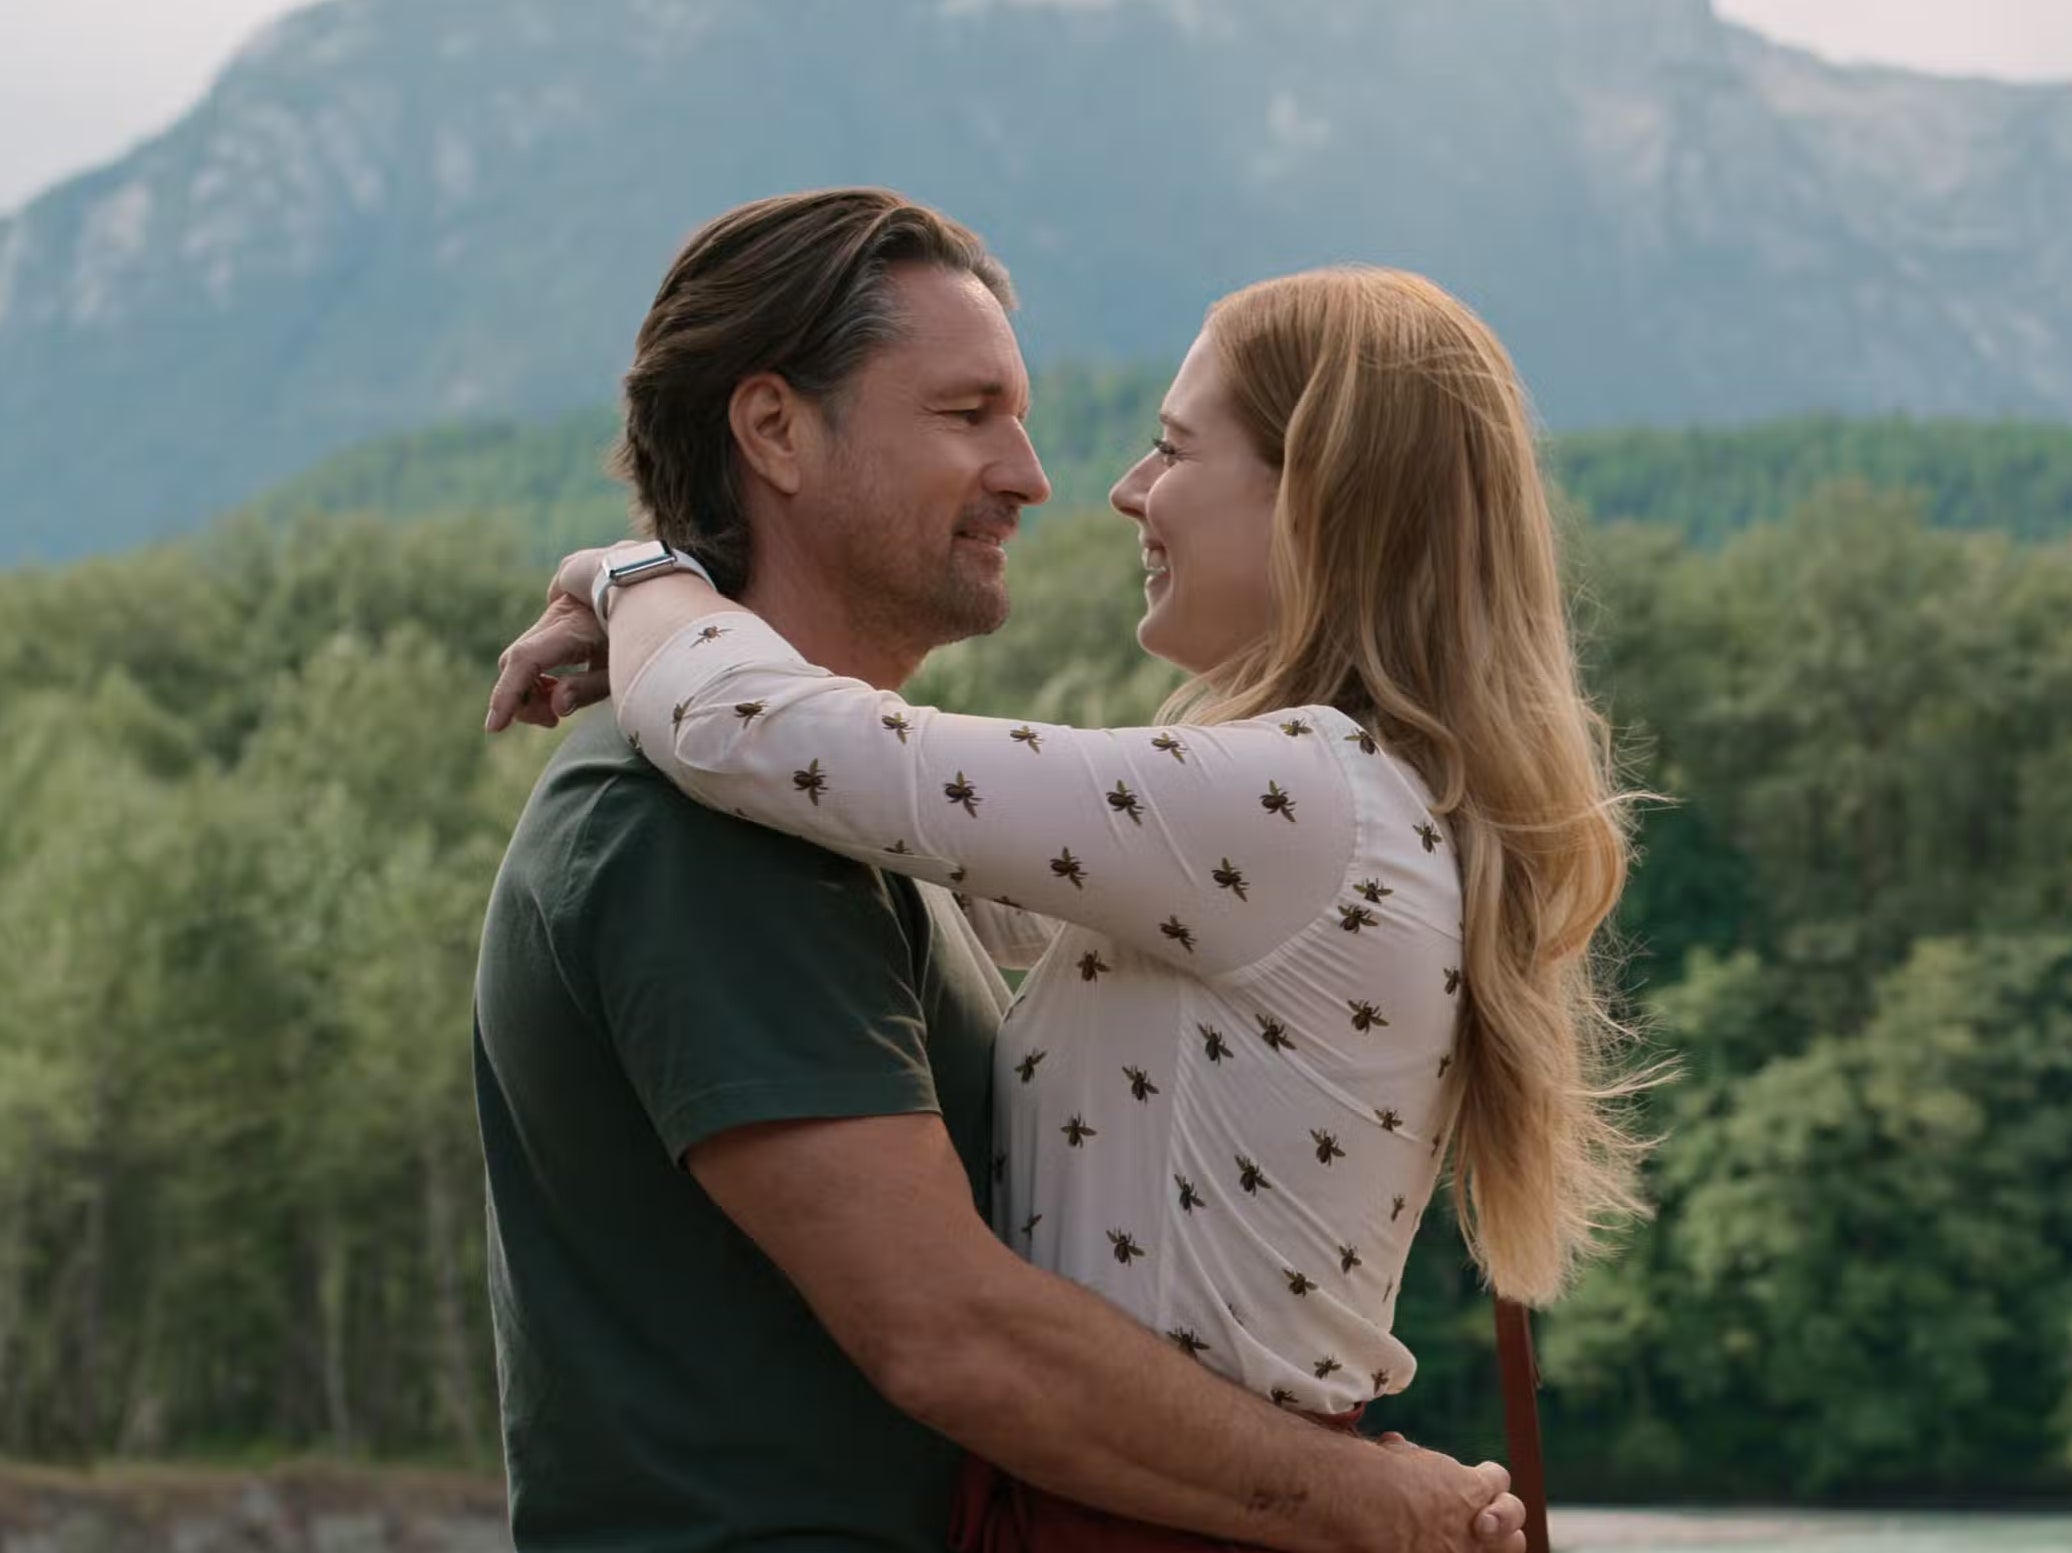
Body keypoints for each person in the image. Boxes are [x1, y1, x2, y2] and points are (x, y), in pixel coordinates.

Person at [475, 188, 1527, 1553]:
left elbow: (798, 741)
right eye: (969, 414)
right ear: (775, 430)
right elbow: (952, 1335)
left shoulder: (1270, 800)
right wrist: (1375, 1500)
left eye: (1163, 448)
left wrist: (634, 581)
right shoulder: (697, 826)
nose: (1049, 477)